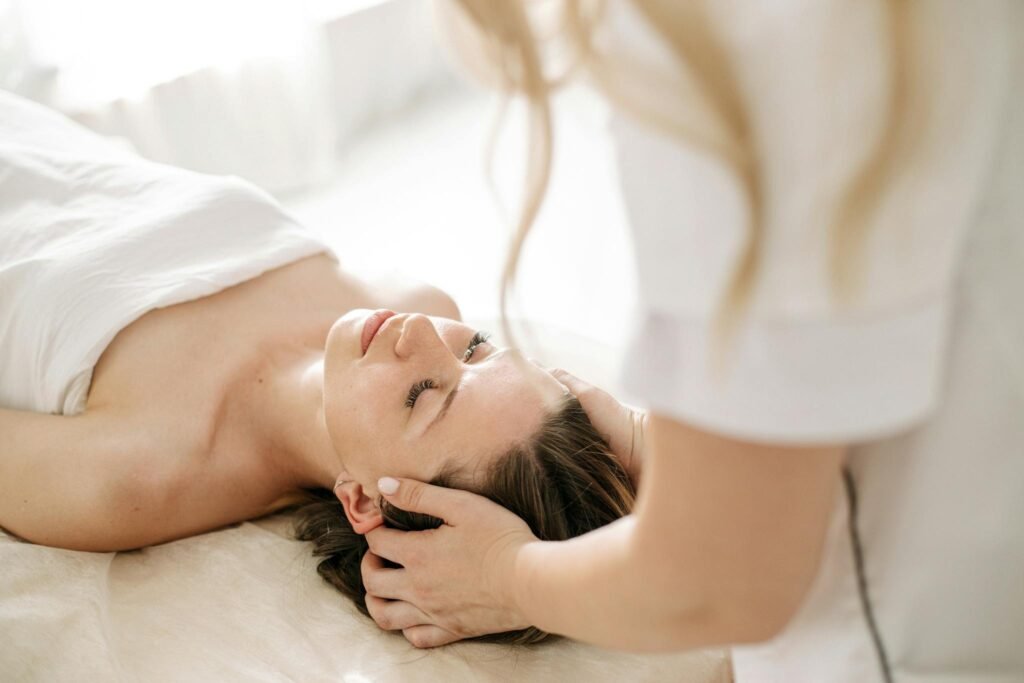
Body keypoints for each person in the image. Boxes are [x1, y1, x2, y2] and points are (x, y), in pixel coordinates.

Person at [356, 1, 1024, 681]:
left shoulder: (713, 54)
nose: (419, 333)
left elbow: (720, 582)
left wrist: (507, 576)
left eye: (477, 348)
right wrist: (687, 450)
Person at [0, 88, 638, 645]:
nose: (419, 335)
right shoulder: (418, 303)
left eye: (421, 394)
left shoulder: (135, 477)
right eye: (476, 348)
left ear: (362, 500)